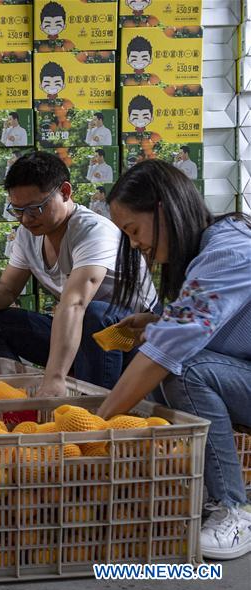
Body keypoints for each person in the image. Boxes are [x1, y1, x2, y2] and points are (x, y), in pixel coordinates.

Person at [94, 160, 251, 560]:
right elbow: (204, 322)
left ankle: (233, 509)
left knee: (183, 369)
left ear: (163, 210)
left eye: (134, 230)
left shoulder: (228, 252)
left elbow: (170, 352)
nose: (134, 245)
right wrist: (158, 322)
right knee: (172, 357)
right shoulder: (210, 248)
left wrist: (95, 424)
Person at [0, 152, 158, 393]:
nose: (26, 219)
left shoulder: (94, 232)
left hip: (133, 336)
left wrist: (54, 376)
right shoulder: (27, 235)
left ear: (64, 192)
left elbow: (75, 303)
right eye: (18, 210)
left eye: (35, 208)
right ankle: (12, 398)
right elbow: (8, 289)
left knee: (94, 314)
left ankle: (93, 408)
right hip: (81, 331)